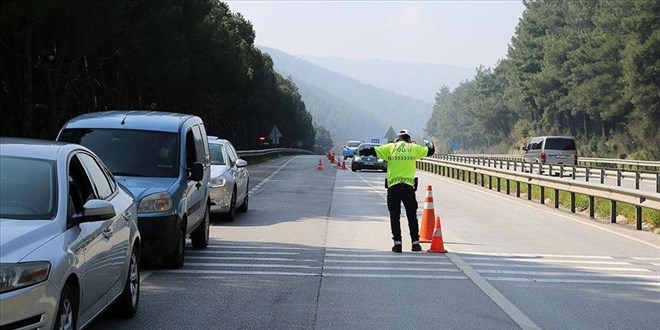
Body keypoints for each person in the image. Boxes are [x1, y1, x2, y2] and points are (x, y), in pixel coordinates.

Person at [360, 129, 435, 253]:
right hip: (408, 187)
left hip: (393, 187)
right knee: (412, 215)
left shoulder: (390, 147)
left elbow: (371, 151)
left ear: (398, 140)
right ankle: (415, 244)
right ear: (408, 140)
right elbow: (430, 151)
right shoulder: (414, 148)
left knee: (394, 216)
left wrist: (363, 150)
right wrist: (430, 143)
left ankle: (397, 244)